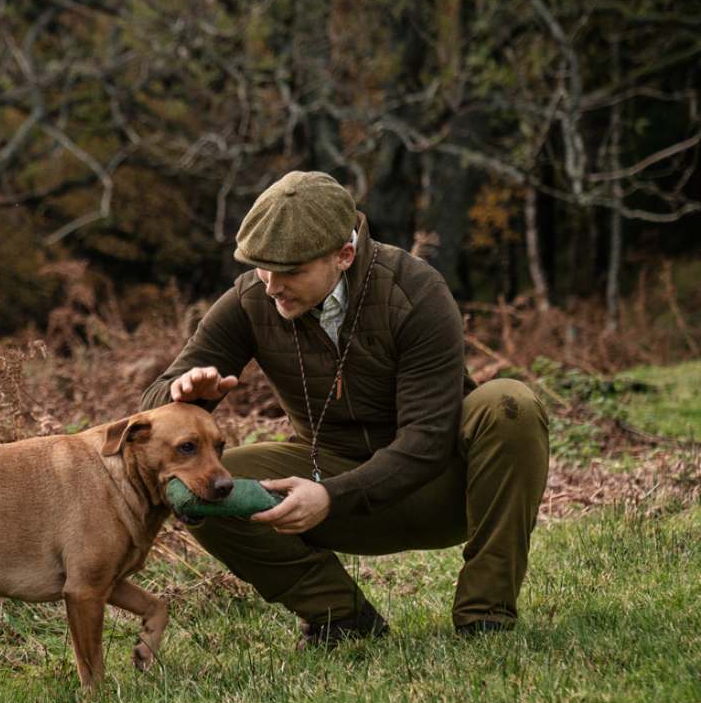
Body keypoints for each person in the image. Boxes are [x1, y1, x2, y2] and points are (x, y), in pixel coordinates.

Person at [140, 170, 550, 645]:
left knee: (508, 403)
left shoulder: (414, 291)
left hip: (443, 489)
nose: (272, 286)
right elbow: (149, 409)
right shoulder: (252, 300)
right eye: (261, 268)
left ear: (344, 254)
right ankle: (342, 620)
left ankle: (485, 617)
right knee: (197, 485)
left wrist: (332, 495)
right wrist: (184, 395)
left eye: (289, 270)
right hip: (324, 474)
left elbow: (427, 440)